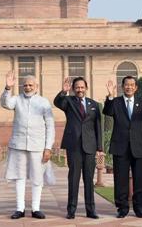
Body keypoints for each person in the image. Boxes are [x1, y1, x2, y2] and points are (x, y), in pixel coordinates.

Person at [1, 71, 55, 220]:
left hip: (38, 145)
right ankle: (20, 208)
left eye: (30, 85)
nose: (28, 87)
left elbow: (50, 126)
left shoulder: (44, 102)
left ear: (36, 86)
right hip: (19, 143)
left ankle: (36, 208)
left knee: (37, 177)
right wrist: (7, 88)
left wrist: (48, 147)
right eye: (25, 85)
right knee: (19, 177)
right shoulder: (17, 99)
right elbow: (5, 103)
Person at [54, 76, 103, 220]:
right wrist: (63, 91)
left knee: (89, 179)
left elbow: (97, 127)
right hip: (73, 146)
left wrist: (99, 147)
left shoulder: (94, 104)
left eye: (82, 87)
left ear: (86, 88)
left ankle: (91, 210)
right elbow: (57, 102)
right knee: (73, 179)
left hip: (89, 146)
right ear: (74, 89)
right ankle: (71, 210)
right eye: (77, 87)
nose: (80, 90)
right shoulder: (68, 102)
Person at [103, 76, 142, 219]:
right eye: (126, 85)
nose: (129, 87)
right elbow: (107, 112)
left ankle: (140, 208)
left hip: (138, 146)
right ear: (122, 86)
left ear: (136, 87)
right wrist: (110, 96)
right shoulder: (116, 102)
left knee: (140, 179)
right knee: (120, 179)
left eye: (132, 85)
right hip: (120, 146)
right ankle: (122, 208)